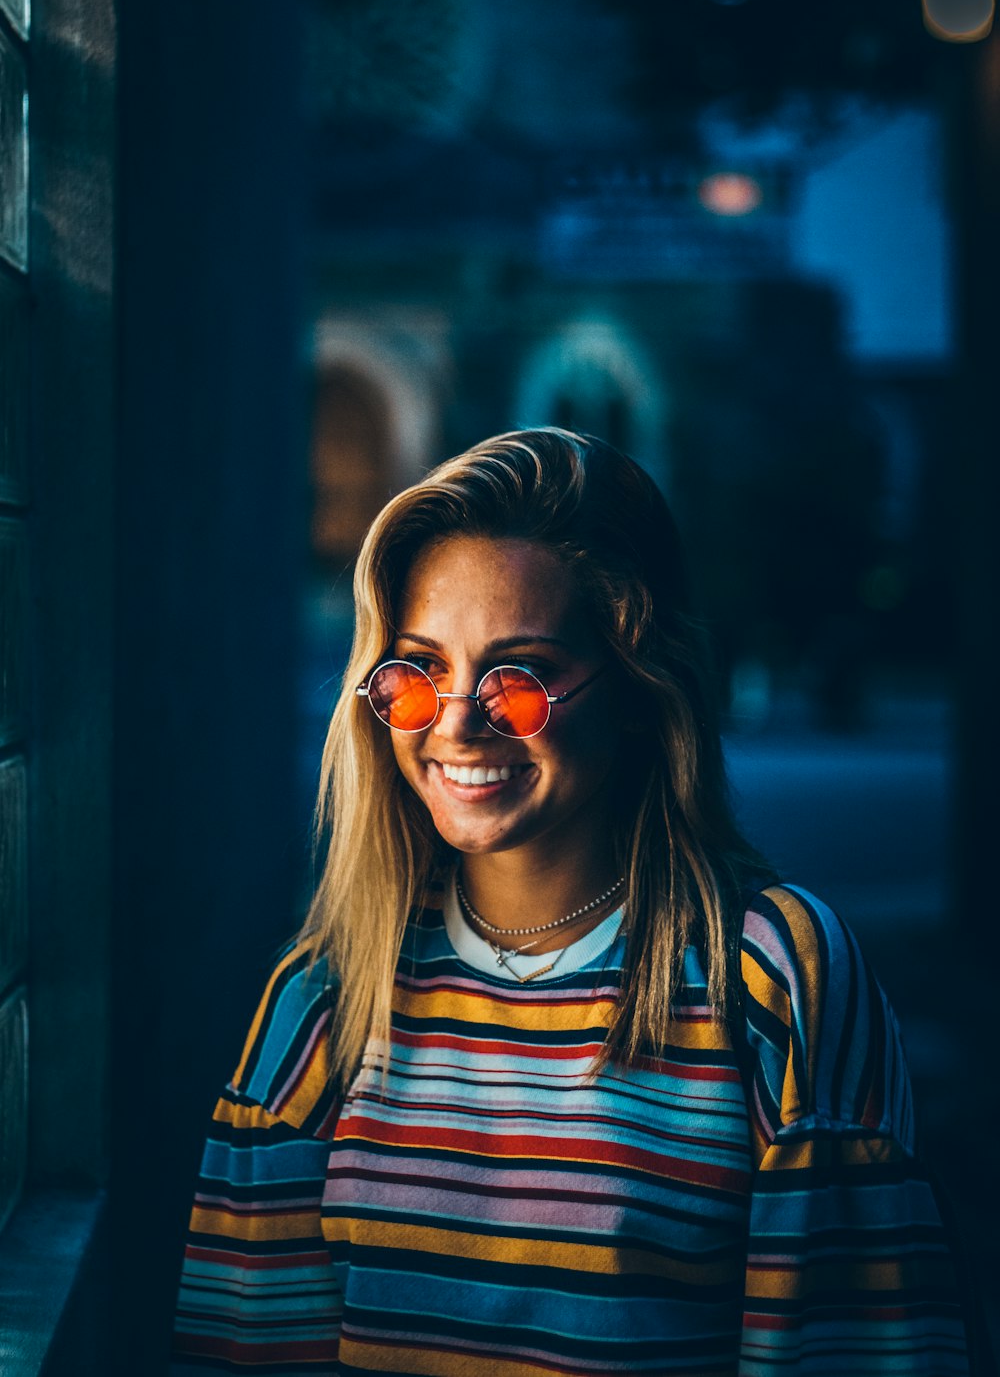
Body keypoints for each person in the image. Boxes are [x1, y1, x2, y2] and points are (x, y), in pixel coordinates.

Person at [171, 428, 971, 1375]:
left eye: (521, 679)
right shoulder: (326, 996)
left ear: (638, 687)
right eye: (419, 672)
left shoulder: (772, 980)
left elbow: (855, 1349)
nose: (458, 723)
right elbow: (245, 1352)